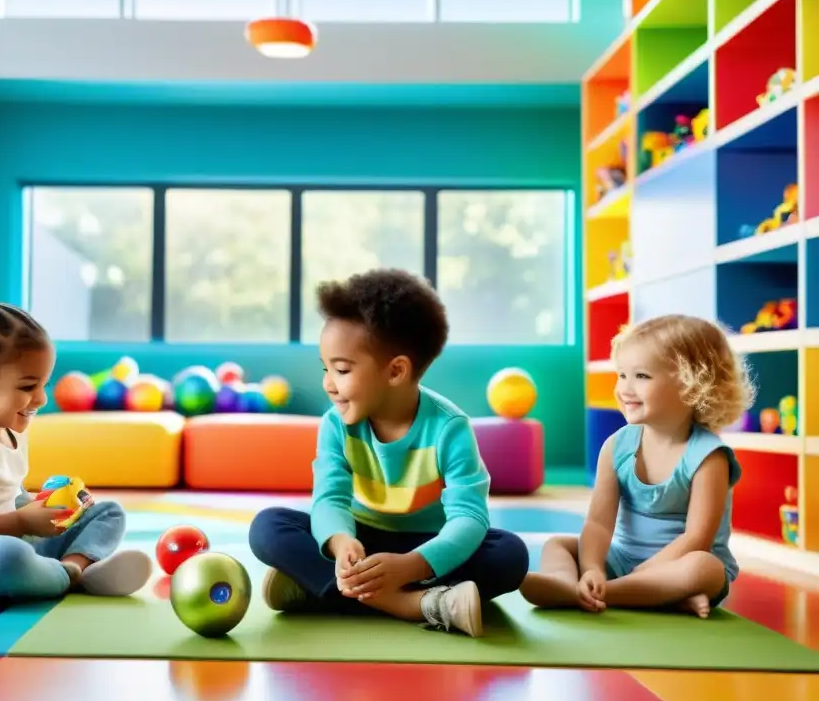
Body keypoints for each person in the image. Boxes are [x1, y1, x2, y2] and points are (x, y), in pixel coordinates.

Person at [248, 269, 529, 638]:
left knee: (510, 554)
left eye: (342, 369)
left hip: (428, 548)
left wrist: (410, 566)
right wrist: (339, 542)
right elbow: (329, 498)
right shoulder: (336, 425)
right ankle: (418, 605)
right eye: (325, 368)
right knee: (268, 526)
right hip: (360, 545)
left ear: (396, 371)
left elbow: (469, 518)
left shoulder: (449, 428)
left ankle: (316, 590)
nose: (328, 384)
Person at [0, 264, 152, 607]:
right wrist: (22, 521)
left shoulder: (9, 430)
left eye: (43, 384)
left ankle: (70, 568)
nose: (42, 399)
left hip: (11, 538)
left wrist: (45, 507)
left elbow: (8, 497)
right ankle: (69, 575)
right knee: (6, 558)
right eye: (27, 386)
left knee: (107, 512)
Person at [520, 314, 755, 618]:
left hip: (677, 565)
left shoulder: (709, 457)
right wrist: (592, 568)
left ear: (692, 384)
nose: (624, 389)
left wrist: (640, 574)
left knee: (704, 569)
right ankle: (569, 583)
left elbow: (697, 538)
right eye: (621, 375)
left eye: (641, 376)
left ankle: (603, 594)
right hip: (621, 558)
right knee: (558, 545)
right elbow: (598, 524)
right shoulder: (617, 446)